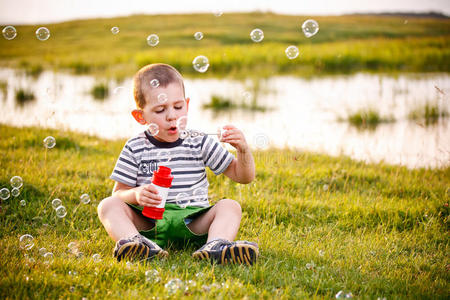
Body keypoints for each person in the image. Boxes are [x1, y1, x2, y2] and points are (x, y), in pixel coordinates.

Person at [97, 63, 259, 265]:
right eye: (160, 109)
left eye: (178, 106)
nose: (172, 115)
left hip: (193, 223)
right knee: (108, 205)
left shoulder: (199, 141)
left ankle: (216, 245)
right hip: (149, 224)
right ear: (141, 116)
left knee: (230, 206)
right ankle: (136, 244)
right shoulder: (135, 146)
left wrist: (243, 150)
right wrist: (136, 194)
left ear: (187, 105)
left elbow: (243, 176)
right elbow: (119, 193)